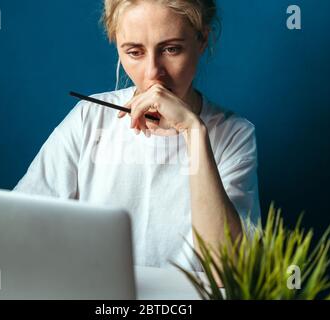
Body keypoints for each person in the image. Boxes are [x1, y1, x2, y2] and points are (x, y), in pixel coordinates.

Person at [13, 0, 261, 272]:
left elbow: (227, 271)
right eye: (134, 52)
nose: (153, 73)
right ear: (116, 43)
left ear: (203, 40)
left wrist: (193, 131)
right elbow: (19, 225)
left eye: (171, 49)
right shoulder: (89, 118)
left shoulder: (235, 134)